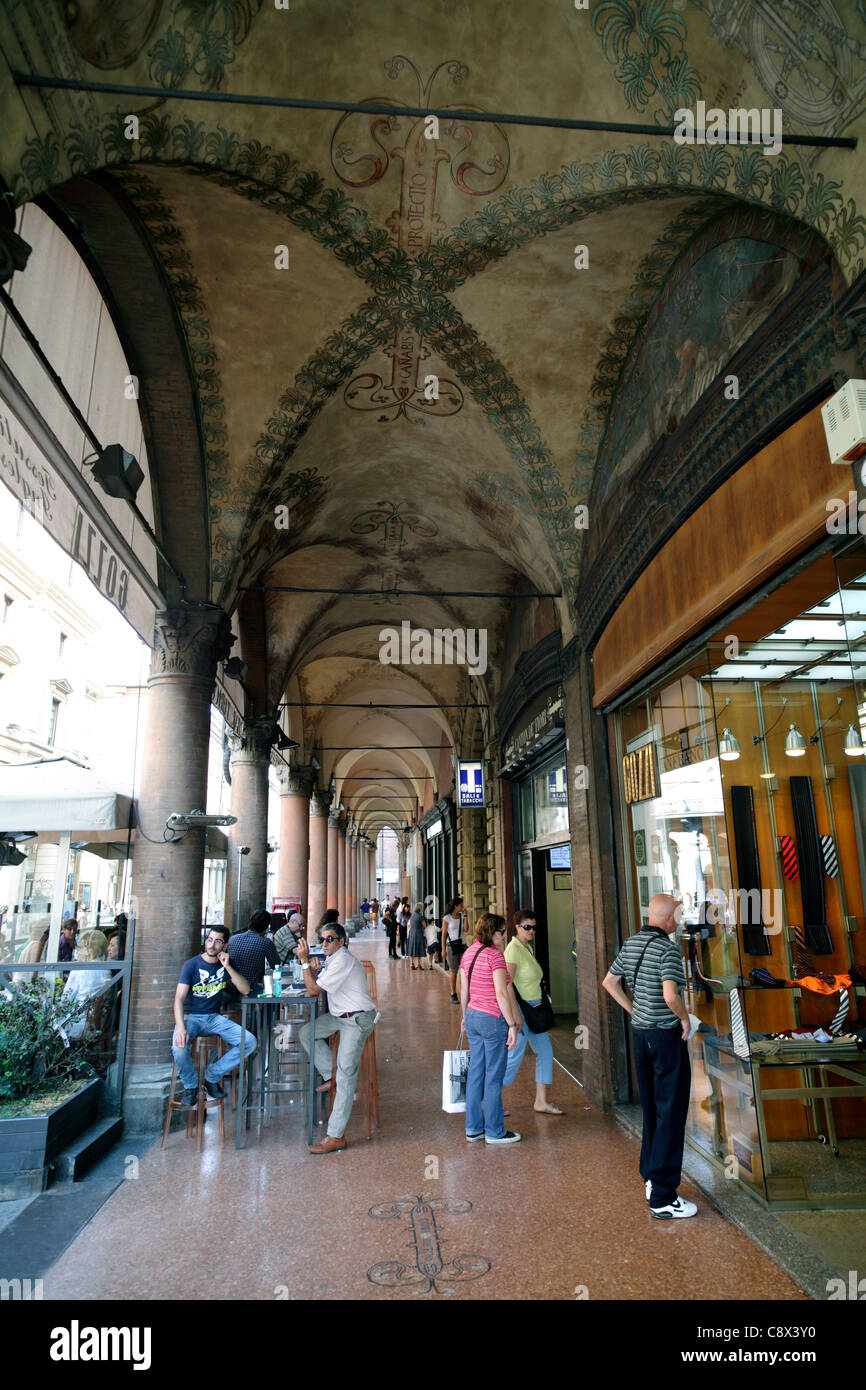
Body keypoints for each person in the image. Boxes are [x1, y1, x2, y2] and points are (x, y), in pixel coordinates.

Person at [602, 893, 696, 1219]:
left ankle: (651, 1175)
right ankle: (664, 1197)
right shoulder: (668, 950)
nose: (679, 920)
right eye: (678, 915)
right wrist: (684, 1018)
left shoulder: (631, 944)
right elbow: (671, 995)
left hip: (640, 1036)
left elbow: (609, 982)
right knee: (671, 1111)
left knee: (653, 1108)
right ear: (668, 918)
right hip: (665, 1037)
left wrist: (633, 1010)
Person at [295, 921, 377, 1154]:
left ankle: (336, 1136)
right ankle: (329, 1075)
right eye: (323, 939)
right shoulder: (333, 959)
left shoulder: (342, 959)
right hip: (340, 1016)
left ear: (341, 941)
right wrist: (310, 968)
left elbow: (312, 990)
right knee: (307, 1033)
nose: (325, 943)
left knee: (346, 1075)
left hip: (357, 1019)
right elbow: (317, 983)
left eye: (330, 939)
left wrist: (303, 962)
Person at [172, 926, 257, 1108]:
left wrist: (227, 967)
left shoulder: (226, 963)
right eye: (210, 940)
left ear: (225, 945)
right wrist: (180, 1028)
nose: (212, 945)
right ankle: (190, 1087)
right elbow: (178, 998)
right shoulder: (192, 965)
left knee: (249, 1041)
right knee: (179, 1048)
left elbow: (245, 990)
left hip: (213, 1018)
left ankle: (211, 1076)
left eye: (218, 941)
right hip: (190, 1017)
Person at [460, 911, 522, 1144]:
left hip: (474, 1016)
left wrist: (464, 1016)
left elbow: (464, 991)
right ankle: (495, 1131)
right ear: (490, 932)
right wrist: (511, 1024)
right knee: (493, 1075)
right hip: (492, 1019)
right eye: (501, 932)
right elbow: (501, 993)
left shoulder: (469, 953)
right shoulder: (495, 957)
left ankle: (473, 1128)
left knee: (476, 1073)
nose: (505, 936)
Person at [502, 909, 563, 1114]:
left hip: (536, 1009)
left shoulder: (526, 948)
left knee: (545, 1053)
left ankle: (541, 1101)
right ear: (517, 927)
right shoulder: (513, 950)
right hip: (522, 1010)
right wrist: (514, 1014)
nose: (531, 931)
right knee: (513, 1057)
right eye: (527, 927)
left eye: (534, 927)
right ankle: (489, 1101)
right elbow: (506, 984)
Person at [61, 928, 113, 1040]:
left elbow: (65, 1002)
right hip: (95, 1027)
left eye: (80, 947)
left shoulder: (79, 970)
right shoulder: (107, 971)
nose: (78, 951)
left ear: (89, 951)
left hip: (73, 1026)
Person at [227, 907, 277, 992]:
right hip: (250, 987)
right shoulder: (266, 943)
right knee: (271, 990)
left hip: (229, 986)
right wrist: (272, 944)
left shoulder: (233, 939)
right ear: (266, 927)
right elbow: (275, 965)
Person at [441, 896, 466, 1002]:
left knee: (465, 970)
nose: (462, 907)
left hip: (462, 944)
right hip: (451, 946)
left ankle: (466, 991)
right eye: (461, 905)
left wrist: (466, 916)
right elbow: (443, 934)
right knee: (454, 971)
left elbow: (466, 929)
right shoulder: (447, 918)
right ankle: (453, 993)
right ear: (456, 906)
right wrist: (443, 949)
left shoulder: (461, 916)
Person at [405, 903, 427, 971]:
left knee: (411, 948)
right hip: (418, 933)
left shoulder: (412, 915)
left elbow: (408, 923)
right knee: (418, 948)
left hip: (411, 933)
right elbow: (424, 925)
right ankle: (418, 964)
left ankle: (411, 964)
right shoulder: (420, 916)